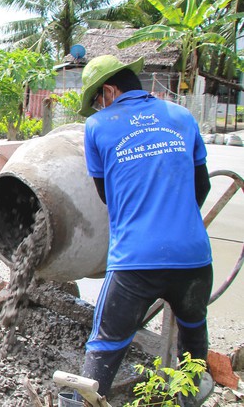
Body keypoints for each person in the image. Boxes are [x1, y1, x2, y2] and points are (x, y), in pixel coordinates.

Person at [78, 55, 213, 405]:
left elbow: (106, 194)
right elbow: (202, 187)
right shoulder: (182, 116)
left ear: (108, 91)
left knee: (106, 344)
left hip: (135, 261)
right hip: (194, 258)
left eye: (96, 101)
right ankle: (188, 397)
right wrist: (174, 219)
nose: (96, 108)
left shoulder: (97, 127)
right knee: (193, 337)